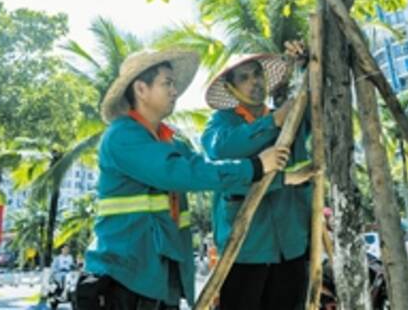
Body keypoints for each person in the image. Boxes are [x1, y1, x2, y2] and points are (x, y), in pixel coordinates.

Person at [80, 49, 290, 310]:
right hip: (124, 275)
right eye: (166, 83)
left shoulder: (172, 142)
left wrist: (280, 177)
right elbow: (181, 173)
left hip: (159, 279)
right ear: (141, 89)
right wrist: (256, 166)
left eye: (174, 84)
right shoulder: (123, 136)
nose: (174, 91)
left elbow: (207, 169)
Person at [201, 41, 312, 310]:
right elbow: (221, 152)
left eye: (257, 74)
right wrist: (272, 123)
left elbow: (316, 104)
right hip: (244, 250)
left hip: (293, 244)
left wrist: (306, 65)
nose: (254, 82)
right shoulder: (221, 123)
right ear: (231, 87)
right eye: (244, 77)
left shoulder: (289, 116)